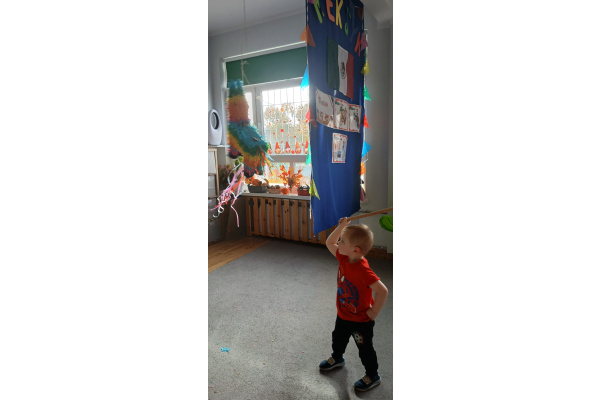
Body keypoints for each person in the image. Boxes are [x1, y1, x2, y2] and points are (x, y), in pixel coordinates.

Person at [319, 217, 389, 392]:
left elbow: (382, 291)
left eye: (343, 241)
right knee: (338, 338)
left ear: (356, 250)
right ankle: (337, 357)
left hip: (361, 321)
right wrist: (342, 226)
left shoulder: (364, 271)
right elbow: (329, 242)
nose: (339, 243)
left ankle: (372, 375)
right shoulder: (344, 257)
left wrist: (374, 312)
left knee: (365, 349)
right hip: (343, 314)